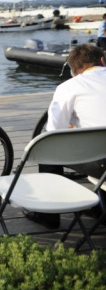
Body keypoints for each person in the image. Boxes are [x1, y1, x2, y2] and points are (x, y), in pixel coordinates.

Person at [25, 44, 106, 229]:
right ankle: (100, 209)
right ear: (102, 61)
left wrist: (74, 126)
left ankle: (49, 215)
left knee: (48, 152)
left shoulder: (69, 87)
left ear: (73, 70)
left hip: (101, 162)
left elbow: (54, 132)